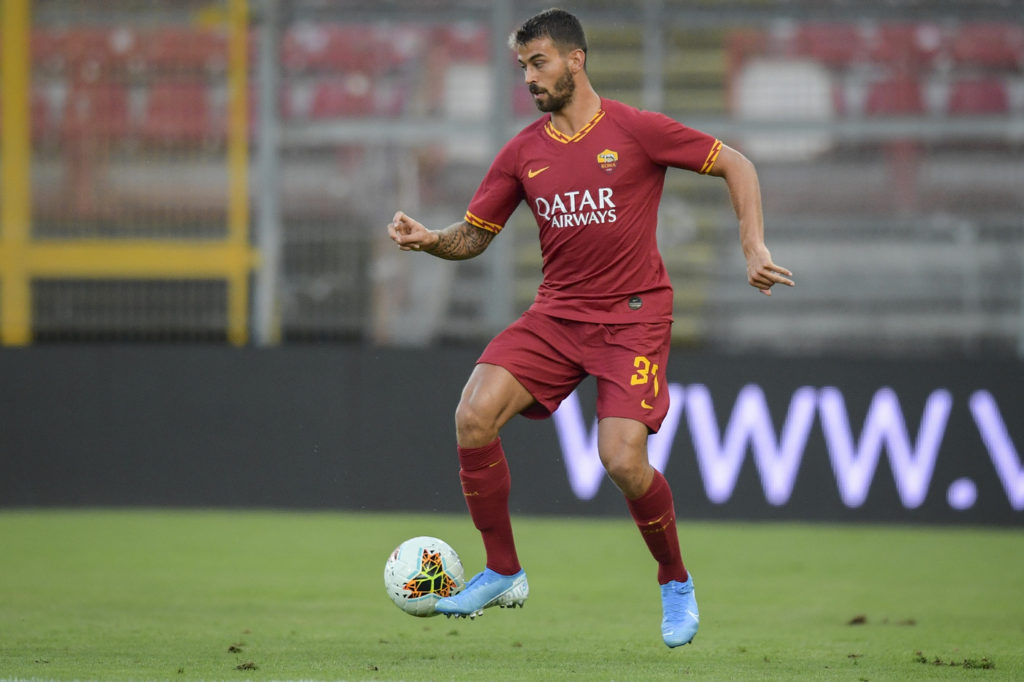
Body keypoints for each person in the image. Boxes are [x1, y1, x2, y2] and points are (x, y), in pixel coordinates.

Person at [387, 8, 793, 648]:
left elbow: (736, 164)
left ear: (576, 60)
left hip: (633, 318)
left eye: (539, 62)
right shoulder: (523, 152)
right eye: (522, 66)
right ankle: (502, 570)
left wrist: (752, 248)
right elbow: (474, 237)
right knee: (472, 416)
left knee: (622, 461)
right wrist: (430, 239)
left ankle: (675, 579)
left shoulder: (635, 130)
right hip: (556, 315)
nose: (529, 77)